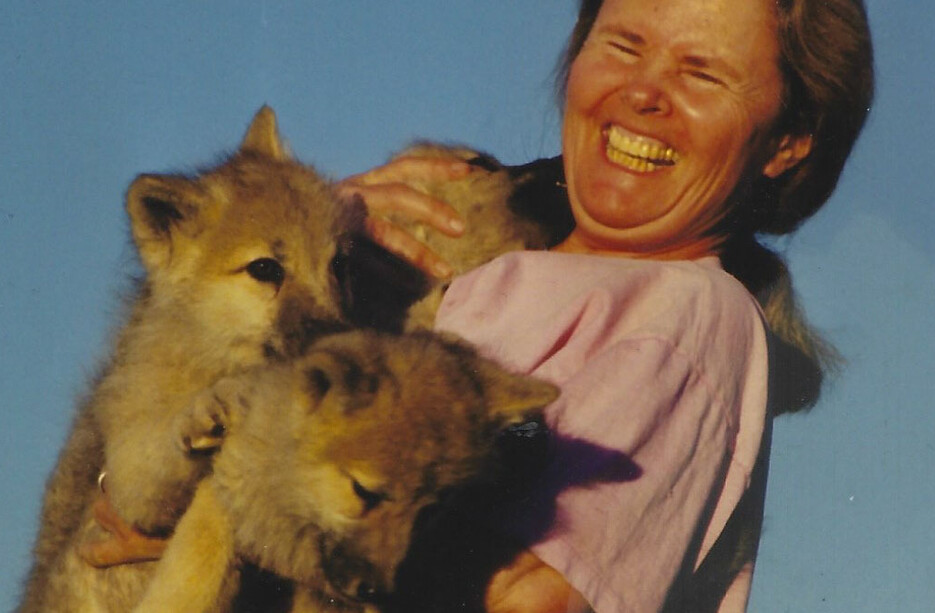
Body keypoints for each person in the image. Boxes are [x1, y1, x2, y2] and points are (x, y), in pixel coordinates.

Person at [84, 0, 874, 611]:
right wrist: (310, 232)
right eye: (624, 44)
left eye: (702, 73)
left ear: (787, 141)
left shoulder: (690, 319)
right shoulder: (461, 264)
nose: (644, 92)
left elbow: (531, 598)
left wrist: (234, 512)